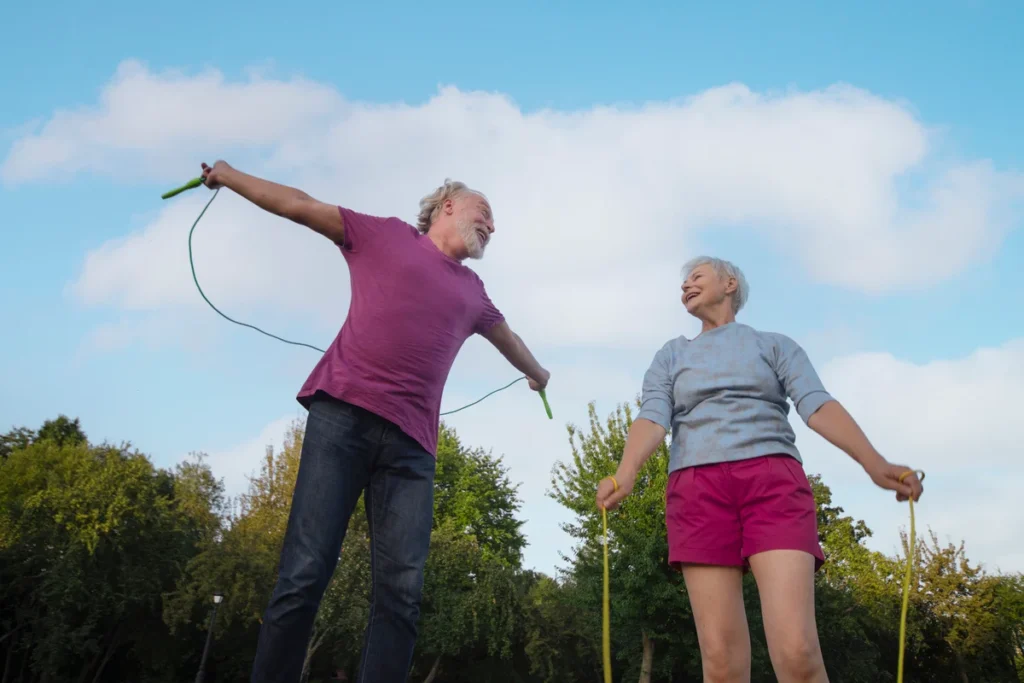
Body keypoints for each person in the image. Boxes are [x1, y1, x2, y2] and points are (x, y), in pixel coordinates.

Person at [198, 161, 550, 683]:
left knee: (402, 593)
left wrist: (538, 373)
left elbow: (509, 340)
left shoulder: (474, 292)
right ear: (448, 203)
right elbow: (299, 205)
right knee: (305, 573)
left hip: (412, 451)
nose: (492, 227)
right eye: (486, 212)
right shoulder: (384, 235)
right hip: (342, 419)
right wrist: (229, 175)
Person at [595, 256, 923, 683]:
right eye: (683, 283)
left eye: (696, 277)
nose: (685, 287)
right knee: (721, 662)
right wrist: (627, 472)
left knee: (798, 652)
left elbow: (817, 404)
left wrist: (874, 462)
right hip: (696, 491)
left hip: (773, 483)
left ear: (730, 283)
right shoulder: (672, 355)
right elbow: (653, 416)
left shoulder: (774, 345)